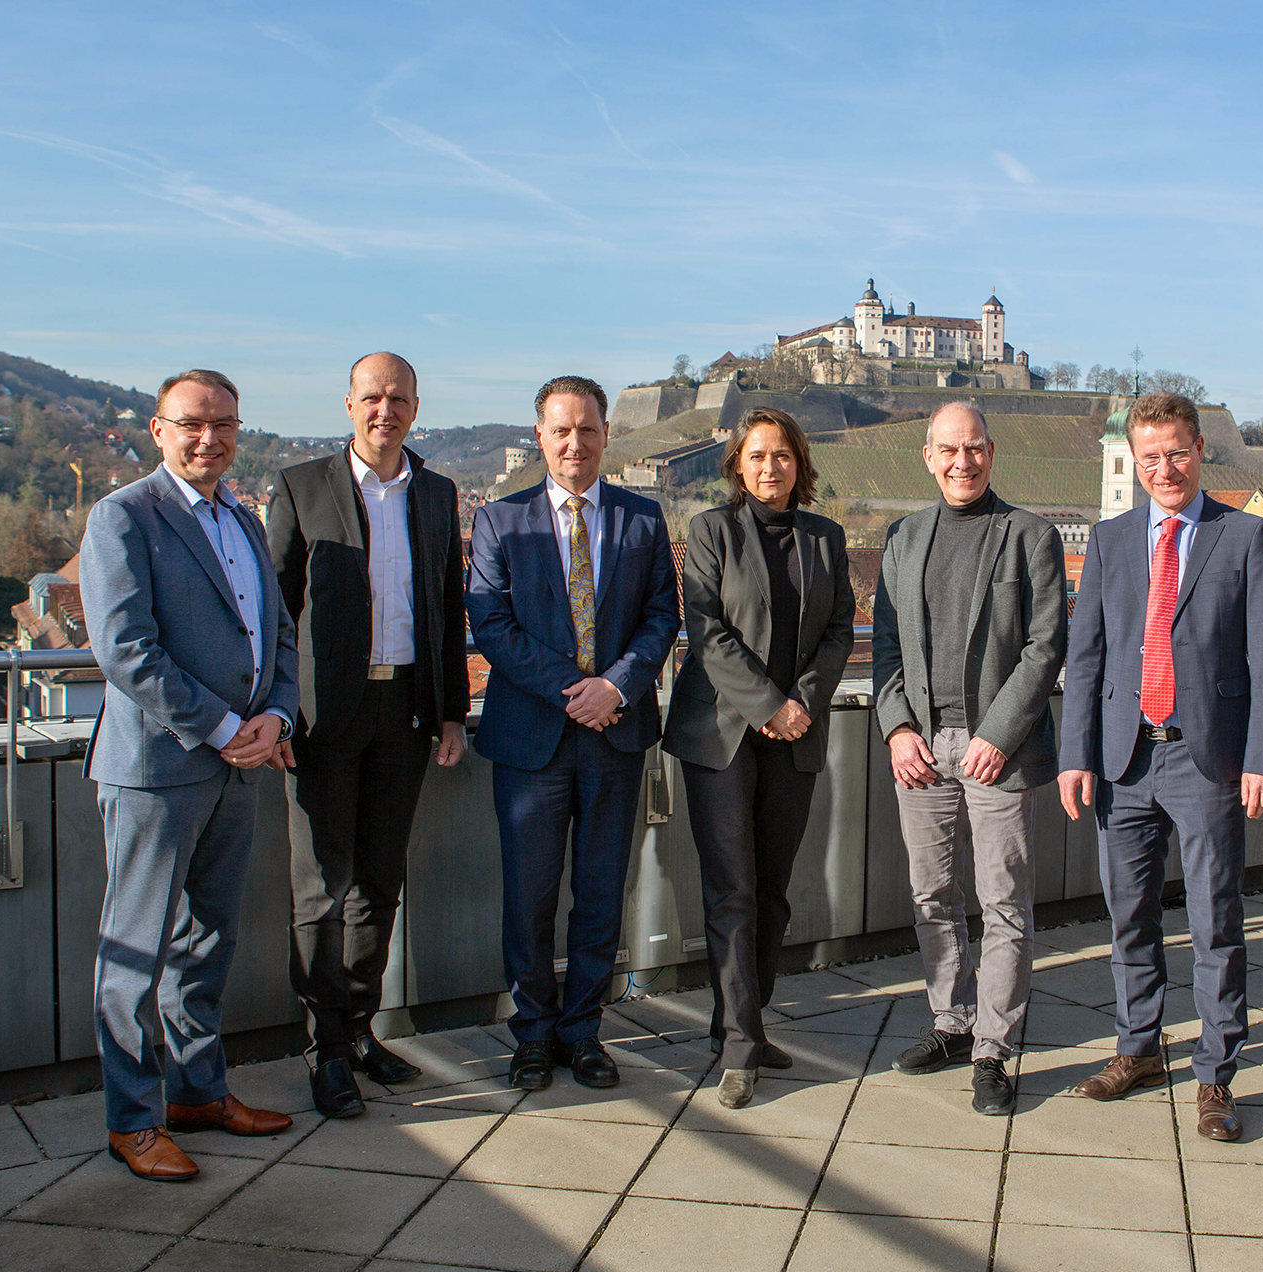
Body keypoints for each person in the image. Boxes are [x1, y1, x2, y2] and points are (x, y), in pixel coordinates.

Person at [80, 369, 299, 1181]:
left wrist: (276, 717)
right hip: (159, 768)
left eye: (226, 425)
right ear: (158, 428)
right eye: (193, 424)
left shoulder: (242, 519)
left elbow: (278, 635)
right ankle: (132, 1120)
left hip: (240, 765)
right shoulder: (124, 516)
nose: (210, 438)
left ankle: (199, 1091)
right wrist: (222, 727)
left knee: (209, 938)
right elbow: (125, 649)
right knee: (134, 949)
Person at [1057, 391, 1263, 1142]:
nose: (1164, 468)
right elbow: (1086, 657)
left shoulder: (1245, 536)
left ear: (1200, 450)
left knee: (1216, 919)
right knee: (1129, 915)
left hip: (1207, 757)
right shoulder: (1112, 538)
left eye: (1177, 452)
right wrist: (1075, 755)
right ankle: (1138, 1048)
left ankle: (1216, 1074)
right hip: (1124, 759)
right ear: (1136, 458)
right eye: (1149, 456)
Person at [268, 352, 471, 1119]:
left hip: (407, 714)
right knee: (321, 887)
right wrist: (277, 711)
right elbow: (275, 611)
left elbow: (446, 608)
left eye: (400, 398)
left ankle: (358, 1032)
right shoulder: (301, 486)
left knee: (380, 884)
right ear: (348, 404)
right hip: (324, 720)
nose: (386, 409)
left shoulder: (436, 493)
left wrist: (451, 711)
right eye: (373, 397)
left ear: (416, 408)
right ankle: (324, 1050)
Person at [467, 375, 679, 1091]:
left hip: (615, 736)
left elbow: (661, 618)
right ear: (540, 437)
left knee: (599, 894)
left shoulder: (643, 519)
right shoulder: (501, 521)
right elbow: (491, 624)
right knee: (528, 898)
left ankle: (583, 1032)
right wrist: (574, 691)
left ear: (606, 434)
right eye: (561, 430)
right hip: (532, 740)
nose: (574, 443)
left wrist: (615, 686)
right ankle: (531, 1035)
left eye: (587, 429)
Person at [872, 400, 1067, 1117]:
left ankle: (995, 1050)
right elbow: (887, 646)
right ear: (928, 457)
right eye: (949, 450)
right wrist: (896, 729)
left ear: (992, 452)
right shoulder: (902, 537)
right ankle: (951, 1024)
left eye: (975, 449)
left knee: (1003, 903)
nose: (963, 462)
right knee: (932, 897)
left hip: (997, 749)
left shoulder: (1030, 536)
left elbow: (1046, 646)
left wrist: (998, 732)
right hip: (921, 747)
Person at [664, 408, 856, 1109]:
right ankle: (741, 1046)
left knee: (772, 890)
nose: (771, 467)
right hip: (721, 735)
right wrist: (769, 705)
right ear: (737, 466)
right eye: (757, 456)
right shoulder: (711, 531)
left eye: (783, 456)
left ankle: (739, 1022)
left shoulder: (826, 538)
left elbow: (839, 630)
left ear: (800, 464)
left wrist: (801, 700)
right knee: (733, 890)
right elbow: (707, 632)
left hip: (796, 735)